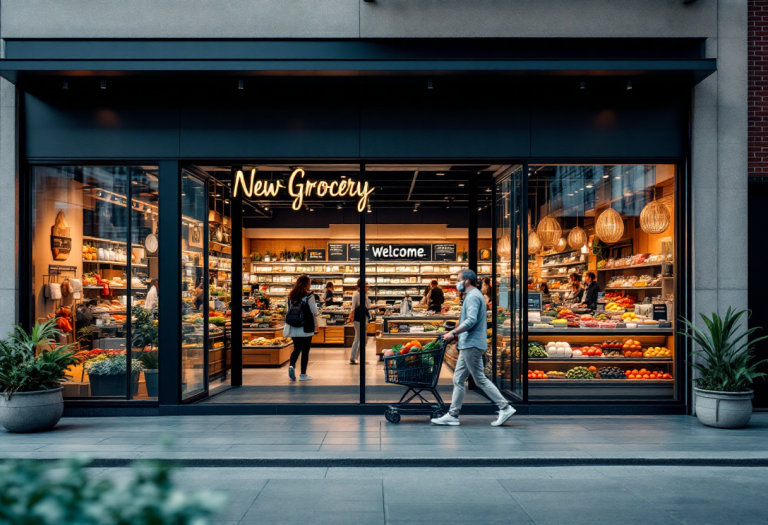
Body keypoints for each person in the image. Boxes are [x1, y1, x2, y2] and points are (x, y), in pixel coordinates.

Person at [431, 269, 516, 427]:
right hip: (468, 343)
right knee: (458, 379)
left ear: (466, 281)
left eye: (458, 280)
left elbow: (470, 321)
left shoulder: (473, 297)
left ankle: (505, 407)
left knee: (480, 379)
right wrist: (457, 335)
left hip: (472, 344)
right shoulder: (474, 295)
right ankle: (453, 415)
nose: (457, 283)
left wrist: (453, 333)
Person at [286, 275, 319, 382]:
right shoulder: (309, 296)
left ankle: (291, 366)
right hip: (306, 327)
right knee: (305, 351)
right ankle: (303, 374)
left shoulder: (291, 296)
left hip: (294, 327)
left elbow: (288, 311)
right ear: (307, 284)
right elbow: (314, 311)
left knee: (296, 349)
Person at [348, 279, 371, 365]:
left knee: (363, 339)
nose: (367, 287)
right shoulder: (357, 295)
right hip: (358, 318)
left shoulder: (364, 295)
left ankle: (359, 358)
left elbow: (368, 306)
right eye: (366, 285)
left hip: (362, 318)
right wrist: (351, 316)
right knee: (358, 337)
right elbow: (353, 306)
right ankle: (353, 358)